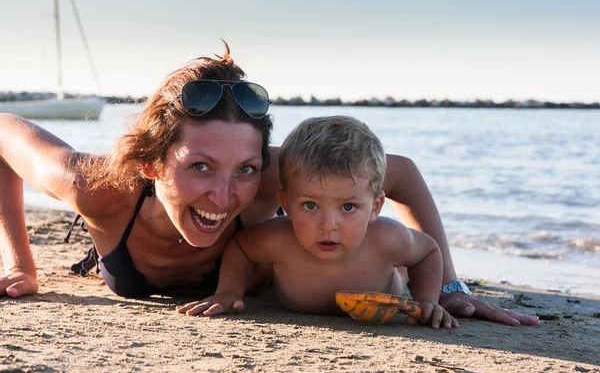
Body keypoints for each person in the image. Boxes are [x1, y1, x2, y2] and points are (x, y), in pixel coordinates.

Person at [0, 42, 539, 326]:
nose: (225, 195)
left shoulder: (281, 178)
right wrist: (20, 264)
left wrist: (449, 288)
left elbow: (400, 172)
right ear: (151, 163)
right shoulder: (97, 188)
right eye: (200, 167)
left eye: (247, 170)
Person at [177, 116, 459, 329]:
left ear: (375, 207)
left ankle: (400, 273)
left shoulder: (387, 237)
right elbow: (241, 247)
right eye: (310, 205)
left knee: (400, 270)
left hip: (385, 279)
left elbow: (428, 251)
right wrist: (229, 291)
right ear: (285, 204)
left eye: (348, 207)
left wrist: (428, 301)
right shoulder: (278, 239)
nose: (328, 225)